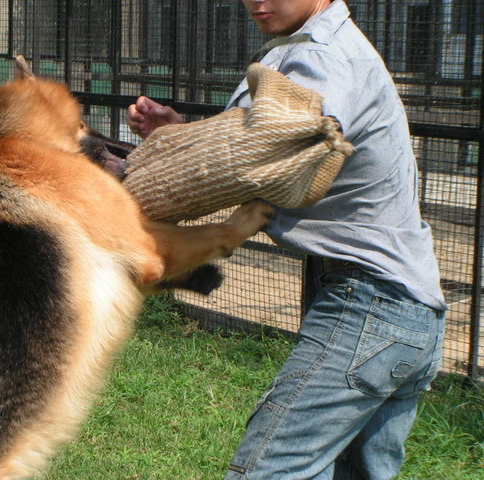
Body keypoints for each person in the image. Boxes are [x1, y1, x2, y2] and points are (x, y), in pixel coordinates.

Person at [127, 1, 447, 479]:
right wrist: (181, 134)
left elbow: (265, 160)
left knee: (266, 471)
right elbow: (263, 150)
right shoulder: (309, 45)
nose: (256, 2)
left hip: (369, 306)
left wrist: (129, 183)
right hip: (406, 312)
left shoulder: (323, 57)